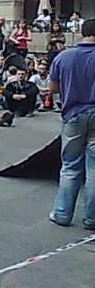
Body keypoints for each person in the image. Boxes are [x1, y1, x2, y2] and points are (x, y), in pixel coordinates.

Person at [49, 18, 95, 229]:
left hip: (73, 114)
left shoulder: (64, 56)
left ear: (82, 33)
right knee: (94, 168)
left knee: (70, 166)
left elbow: (53, 88)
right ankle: (91, 218)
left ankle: (62, 214)